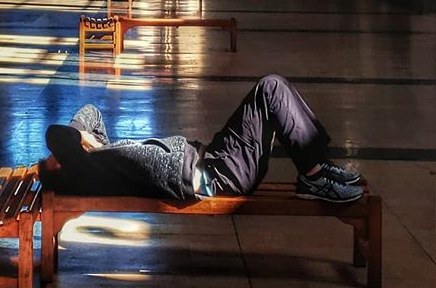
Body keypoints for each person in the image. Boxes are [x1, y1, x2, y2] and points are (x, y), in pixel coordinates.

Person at [38, 74, 363, 203]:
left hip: (216, 156)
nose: (55, 155)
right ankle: (314, 177)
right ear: (62, 169)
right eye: (53, 160)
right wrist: (77, 139)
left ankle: (317, 166)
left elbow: (91, 111)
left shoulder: (98, 156)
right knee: (270, 88)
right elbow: (55, 134)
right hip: (217, 174)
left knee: (273, 86)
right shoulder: (85, 172)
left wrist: (85, 135)